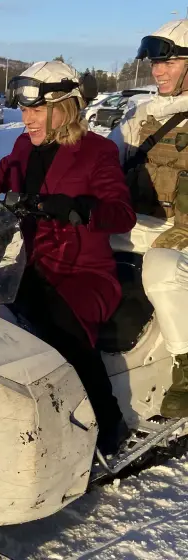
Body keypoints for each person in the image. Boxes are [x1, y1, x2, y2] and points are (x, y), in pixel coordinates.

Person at [0, 61, 137, 454]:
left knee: (61, 327)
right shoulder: (25, 147)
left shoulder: (97, 151)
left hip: (83, 274)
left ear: (65, 107)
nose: (26, 119)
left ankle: (110, 423)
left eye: (35, 110)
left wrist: (79, 208)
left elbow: (120, 211)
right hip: (34, 266)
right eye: (24, 110)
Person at [109, 20, 188, 419]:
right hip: (140, 227)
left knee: (160, 270)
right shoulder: (143, 115)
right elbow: (104, 160)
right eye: (156, 62)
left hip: (183, 240)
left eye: (169, 62)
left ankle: (186, 369)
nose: (158, 71)